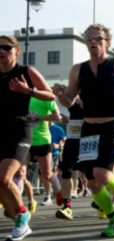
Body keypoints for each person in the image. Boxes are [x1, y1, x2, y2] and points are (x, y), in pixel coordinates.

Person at [54, 24, 114, 237]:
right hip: (88, 128)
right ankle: (113, 219)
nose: (93, 42)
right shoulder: (78, 69)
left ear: (107, 42)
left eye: (98, 38)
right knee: (92, 183)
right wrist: (59, 94)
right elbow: (70, 99)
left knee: (103, 173)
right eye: (89, 38)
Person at [0, 35, 55, 240]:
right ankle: (15, 211)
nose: (2, 52)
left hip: (19, 130)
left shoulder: (26, 72)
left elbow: (51, 95)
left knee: (5, 177)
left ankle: (22, 218)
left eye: (6, 47)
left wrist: (28, 90)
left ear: (17, 51)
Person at [52, 95, 84, 220]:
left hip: (87, 140)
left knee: (93, 175)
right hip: (71, 141)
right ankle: (67, 206)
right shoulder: (71, 100)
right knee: (67, 172)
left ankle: (103, 204)